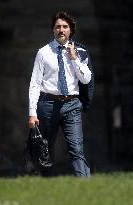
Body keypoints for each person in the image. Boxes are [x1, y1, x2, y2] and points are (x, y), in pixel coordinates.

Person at [28, 11, 94, 177]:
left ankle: (85, 187)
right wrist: (32, 113)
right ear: (53, 30)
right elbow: (35, 84)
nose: (61, 30)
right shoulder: (43, 52)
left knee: (77, 148)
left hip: (72, 104)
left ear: (70, 30)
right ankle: (45, 185)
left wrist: (74, 58)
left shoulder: (80, 52)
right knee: (45, 149)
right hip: (48, 105)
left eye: (65, 27)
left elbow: (86, 80)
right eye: (58, 27)